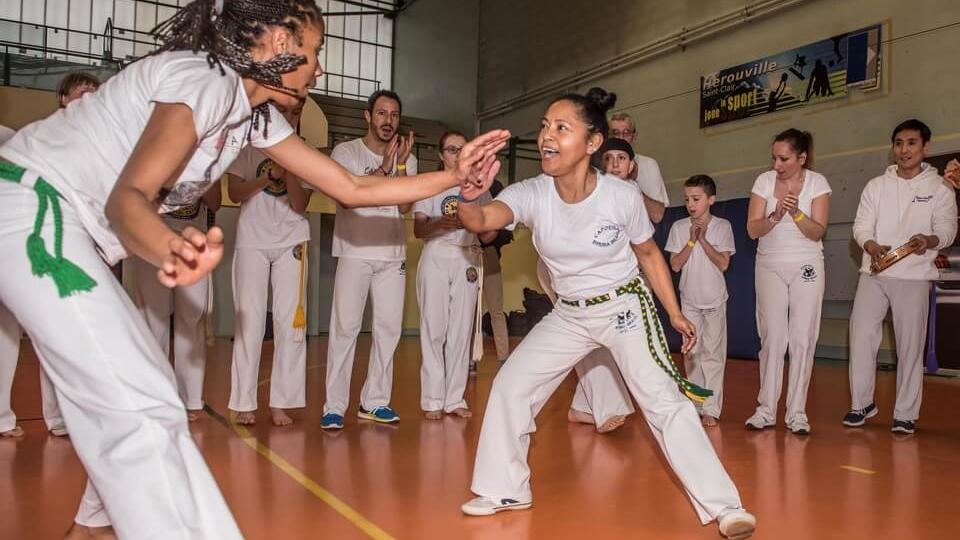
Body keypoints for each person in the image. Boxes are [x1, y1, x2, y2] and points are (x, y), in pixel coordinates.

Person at [0, 1, 507, 536]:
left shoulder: (252, 116)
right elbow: (128, 200)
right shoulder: (206, 80)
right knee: (142, 407)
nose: (319, 68)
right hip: (31, 207)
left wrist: (454, 175)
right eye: (314, 53)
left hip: (65, 223)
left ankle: (87, 530)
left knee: (137, 400)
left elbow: (354, 188)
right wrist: (169, 248)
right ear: (280, 45)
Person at [457, 87, 755, 539]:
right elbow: (481, 221)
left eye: (561, 127)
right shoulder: (532, 192)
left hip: (623, 307)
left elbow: (650, 255)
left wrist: (673, 313)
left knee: (664, 401)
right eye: (543, 127)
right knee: (512, 384)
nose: (546, 137)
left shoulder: (619, 196)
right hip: (571, 313)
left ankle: (724, 506)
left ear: (592, 143)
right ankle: (506, 489)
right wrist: (468, 194)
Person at [843, 119, 957, 434]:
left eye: (911, 143)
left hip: (915, 278)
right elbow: (861, 226)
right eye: (898, 143)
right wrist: (870, 244)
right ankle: (860, 405)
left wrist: (930, 241)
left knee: (910, 347)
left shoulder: (940, 189)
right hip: (874, 274)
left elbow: (947, 229)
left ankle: (905, 414)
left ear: (925, 148)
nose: (903, 150)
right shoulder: (875, 186)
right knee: (861, 337)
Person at [320, 89, 417, 430]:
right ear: (368, 116)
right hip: (355, 252)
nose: (388, 121)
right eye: (381, 114)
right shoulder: (345, 152)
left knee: (388, 330)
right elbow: (349, 198)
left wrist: (401, 166)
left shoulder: (408, 157)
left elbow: (406, 206)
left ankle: (374, 402)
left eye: (394, 115)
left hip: (392, 256)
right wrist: (385, 167)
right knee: (345, 329)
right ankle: (334, 406)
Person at [227, 100, 312, 426]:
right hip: (252, 240)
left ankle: (282, 402)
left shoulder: (303, 151)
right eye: (285, 112)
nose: (290, 117)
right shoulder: (247, 146)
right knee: (249, 322)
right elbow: (235, 193)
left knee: (290, 323)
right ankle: (244, 401)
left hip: (292, 240)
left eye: (295, 113)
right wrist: (269, 176)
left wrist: (289, 168)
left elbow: (301, 204)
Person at [745, 129, 831, 435]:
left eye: (784, 158)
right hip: (769, 264)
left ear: (801, 158)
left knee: (802, 338)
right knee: (773, 337)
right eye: (774, 157)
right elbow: (753, 230)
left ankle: (796, 412)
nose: (777, 164)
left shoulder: (818, 183)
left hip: (806, 263)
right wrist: (774, 216)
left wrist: (795, 213)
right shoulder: (764, 182)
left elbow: (817, 231)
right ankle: (765, 408)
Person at [413, 131, 495, 419]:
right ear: (440, 155)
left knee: (461, 330)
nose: (458, 155)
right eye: (451, 149)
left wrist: (485, 224)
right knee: (433, 328)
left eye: (463, 149)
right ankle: (433, 399)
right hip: (436, 253)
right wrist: (440, 222)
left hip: (467, 256)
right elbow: (418, 229)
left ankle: (455, 398)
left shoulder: (479, 186)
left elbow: (489, 232)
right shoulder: (430, 185)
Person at [126, 181, 220, 423]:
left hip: (193, 239)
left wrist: (203, 174)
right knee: (153, 319)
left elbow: (216, 201)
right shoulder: (153, 148)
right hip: (152, 238)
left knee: (191, 320)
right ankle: (156, 397)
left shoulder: (207, 155)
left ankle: (190, 399)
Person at [665, 175, 736, 427]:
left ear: (711, 200)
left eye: (696, 199)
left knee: (714, 355)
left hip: (715, 300)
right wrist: (691, 240)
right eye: (687, 200)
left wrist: (703, 239)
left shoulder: (722, 226)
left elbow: (724, 263)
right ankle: (695, 403)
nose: (690, 204)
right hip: (690, 301)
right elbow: (674, 265)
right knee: (692, 354)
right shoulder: (678, 228)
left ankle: (711, 409)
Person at [607, 112, 669, 223]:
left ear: (634, 137)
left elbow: (657, 216)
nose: (621, 138)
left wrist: (632, 182)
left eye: (626, 133)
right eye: (615, 133)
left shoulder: (649, 164)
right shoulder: (597, 166)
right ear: (607, 136)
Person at [479, 178, 512, 366]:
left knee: (496, 310)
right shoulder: (467, 184)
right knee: (469, 312)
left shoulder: (497, 187)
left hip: (489, 253)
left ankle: (504, 358)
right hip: (468, 251)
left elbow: (495, 231)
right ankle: (468, 358)